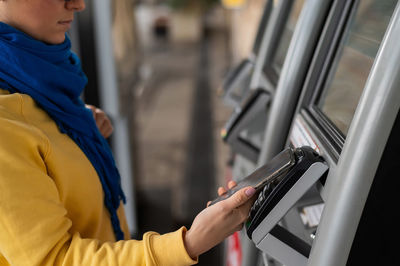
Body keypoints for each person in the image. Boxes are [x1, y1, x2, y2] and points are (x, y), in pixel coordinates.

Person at [0, 0, 256, 265]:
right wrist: (191, 242)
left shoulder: (41, 87)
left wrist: (68, 129)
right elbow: (54, 260)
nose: (78, 5)